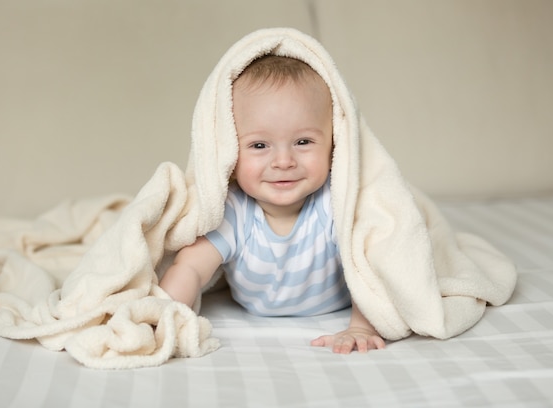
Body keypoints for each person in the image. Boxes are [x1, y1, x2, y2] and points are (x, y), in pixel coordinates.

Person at [159, 55, 386, 354]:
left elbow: (370, 263)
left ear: (334, 142)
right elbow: (190, 269)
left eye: (303, 141)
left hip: (339, 307)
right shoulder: (233, 211)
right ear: (228, 151)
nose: (283, 162)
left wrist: (360, 327)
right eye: (259, 145)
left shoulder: (336, 204)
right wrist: (161, 319)